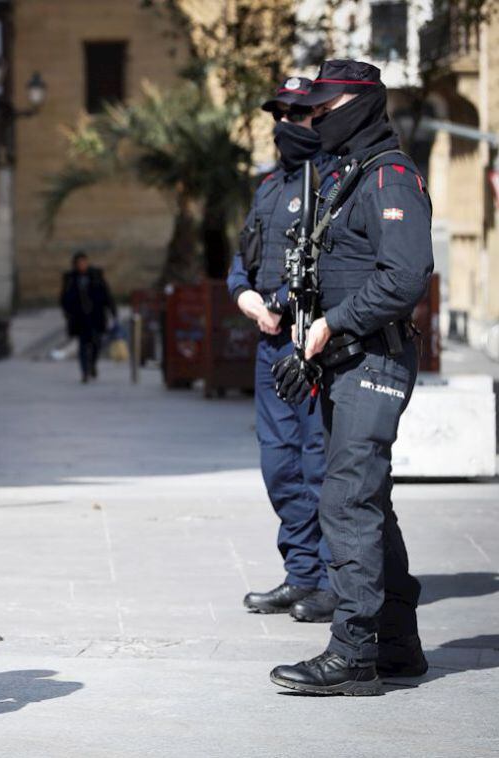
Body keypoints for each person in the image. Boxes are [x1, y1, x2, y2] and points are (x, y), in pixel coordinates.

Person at [268, 59, 433, 695]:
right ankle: (396, 643)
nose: (311, 123)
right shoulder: (349, 176)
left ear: (357, 108)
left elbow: (405, 276)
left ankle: (353, 654)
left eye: (321, 112)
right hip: (345, 361)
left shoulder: (390, 177)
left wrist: (333, 323)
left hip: (375, 360)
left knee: (346, 500)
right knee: (369, 502)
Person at [226, 77, 337, 623]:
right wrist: (247, 298)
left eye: (298, 114)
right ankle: (300, 575)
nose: (287, 125)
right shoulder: (268, 187)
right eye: (280, 115)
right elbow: (240, 261)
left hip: (312, 347)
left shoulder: (336, 182)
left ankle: (326, 580)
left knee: (316, 463)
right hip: (270, 345)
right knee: (279, 466)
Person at [60, 252, 117, 382]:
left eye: (84, 262)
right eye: (79, 263)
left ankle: (92, 364)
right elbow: (64, 297)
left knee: (96, 343)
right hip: (79, 317)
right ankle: (84, 372)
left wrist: (112, 311)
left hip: (96, 316)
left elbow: (106, 294)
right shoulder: (70, 278)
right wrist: (68, 312)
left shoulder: (96, 275)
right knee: (82, 345)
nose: (82, 265)